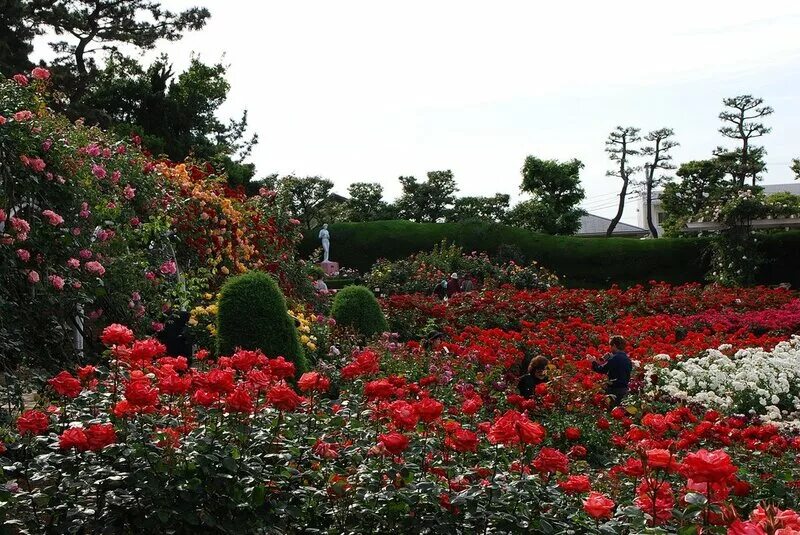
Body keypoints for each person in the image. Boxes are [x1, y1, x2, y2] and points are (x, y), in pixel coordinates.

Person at [587, 335, 632, 407]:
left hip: (614, 391)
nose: (610, 348)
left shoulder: (614, 358)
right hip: (624, 390)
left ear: (614, 345)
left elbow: (601, 369)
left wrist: (593, 362)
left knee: (612, 410)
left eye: (610, 346)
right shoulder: (627, 359)